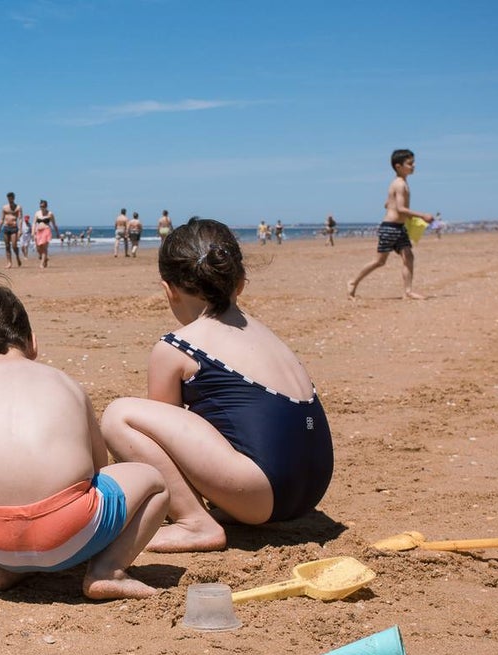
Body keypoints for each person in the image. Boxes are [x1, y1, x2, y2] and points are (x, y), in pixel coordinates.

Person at [0, 270, 169, 599]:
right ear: (32, 342)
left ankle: (1, 568)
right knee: (154, 482)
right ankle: (108, 570)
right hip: (71, 535)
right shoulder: (65, 383)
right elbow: (99, 470)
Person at [100, 218, 334, 552]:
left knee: (120, 416)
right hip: (311, 487)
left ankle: (194, 523)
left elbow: (163, 443)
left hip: (262, 492)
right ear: (240, 283)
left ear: (168, 289)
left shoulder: (178, 345)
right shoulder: (265, 334)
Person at [348, 149, 434, 300]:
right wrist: (423, 215)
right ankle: (353, 282)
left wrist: (390, 205)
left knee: (408, 256)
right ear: (398, 166)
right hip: (390, 228)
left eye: (413, 162)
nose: (413, 166)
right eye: (410, 163)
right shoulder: (399, 184)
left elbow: (389, 203)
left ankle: (407, 291)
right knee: (379, 261)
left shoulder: (400, 183)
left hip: (399, 228)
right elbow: (400, 208)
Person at [0, 192, 23, 268]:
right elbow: (1, 219)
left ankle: (17, 256)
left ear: (13, 198)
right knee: (7, 246)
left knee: (14, 245)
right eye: (8, 198)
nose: (10, 200)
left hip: (14, 228)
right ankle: (9, 262)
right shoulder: (4, 207)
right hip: (6, 227)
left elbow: (20, 219)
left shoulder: (18, 207)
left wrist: (20, 230)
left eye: (11, 198)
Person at [32, 200, 57, 268]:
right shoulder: (37, 213)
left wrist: (57, 233)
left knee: (44, 248)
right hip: (38, 231)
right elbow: (34, 223)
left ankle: (42, 263)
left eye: (43, 206)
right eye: (40, 206)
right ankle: (45, 258)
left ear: (46, 206)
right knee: (38, 247)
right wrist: (32, 232)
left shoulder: (50, 214)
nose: (42, 208)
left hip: (46, 230)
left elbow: (54, 224)